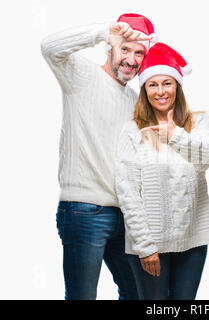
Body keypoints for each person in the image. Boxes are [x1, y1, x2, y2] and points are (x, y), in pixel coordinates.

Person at [40, 13, 157, 300]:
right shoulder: (81, 75)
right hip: (84, 210)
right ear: (110, 47)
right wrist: (103, 31)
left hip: (124, 215)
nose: (130, 59)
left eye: (138, 53)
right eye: (124, 49)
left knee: (138, 294)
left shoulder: (133, 99)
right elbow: (49, 47)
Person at [115, 42, 209, 300]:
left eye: (167, 83)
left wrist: (175, 135)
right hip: (150, 245)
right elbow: (127, 192)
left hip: (192, 242)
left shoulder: (200, 122)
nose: (160, 91)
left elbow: (207, 158)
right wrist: (146, 247)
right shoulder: (132, 130)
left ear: (177, 87)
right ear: (144, 90)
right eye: (153, 84)